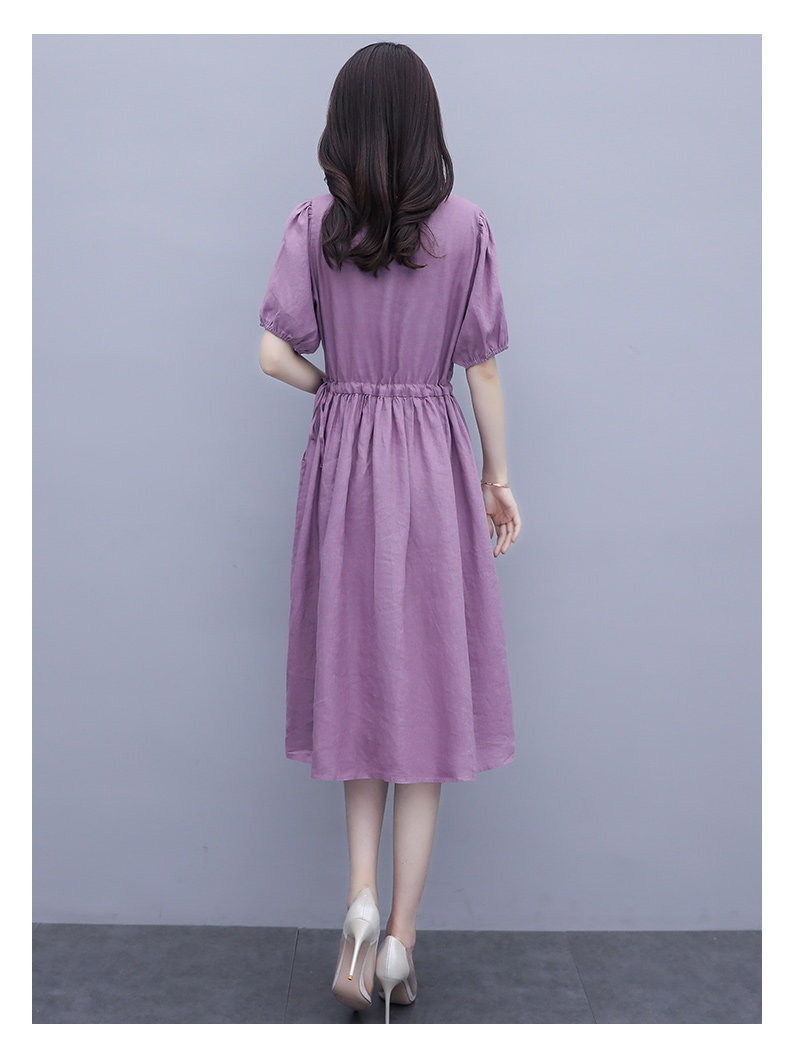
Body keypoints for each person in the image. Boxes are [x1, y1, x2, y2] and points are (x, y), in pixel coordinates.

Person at [257, 41, 521, 1023]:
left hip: (346, 465)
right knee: (427, 703)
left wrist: (337, 389)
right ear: (426, 125)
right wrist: (497, 477)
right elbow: (481, 368)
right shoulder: (466, 227)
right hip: (429, 464)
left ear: (344, 126)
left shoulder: (317, 225)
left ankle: (359, 899)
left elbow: (272, 353)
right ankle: (402, 936)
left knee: (360, 685)